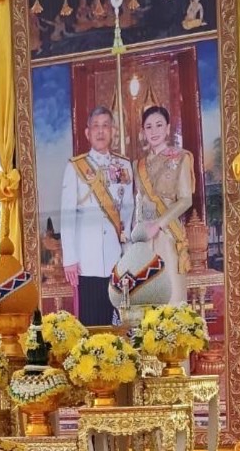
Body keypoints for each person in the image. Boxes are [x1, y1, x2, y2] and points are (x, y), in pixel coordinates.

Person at [59, 106, 134, 326]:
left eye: (105, 126)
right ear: (87, 132)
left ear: (113, 131)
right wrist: (70, 259)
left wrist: (127, 253)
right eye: (95, 126)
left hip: (115, 258)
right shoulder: (76, 167)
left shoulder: (123, 165)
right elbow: (67, 215)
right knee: (91, 326)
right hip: (86, 259)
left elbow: (127, 212)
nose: (100, 131)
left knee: (117, 325)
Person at [133, 105, 195, 305]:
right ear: (143, 132)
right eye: (149, 127)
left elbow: (186, 199)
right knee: (147, 297)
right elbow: (139, 201)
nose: (154, 131)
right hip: (145, 237)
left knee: (171, 295)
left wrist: (158, 224)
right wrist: (136, 234)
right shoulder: (138, 165)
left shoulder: (181, 158)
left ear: (168, 128)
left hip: (168, 234)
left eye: (159, 125)